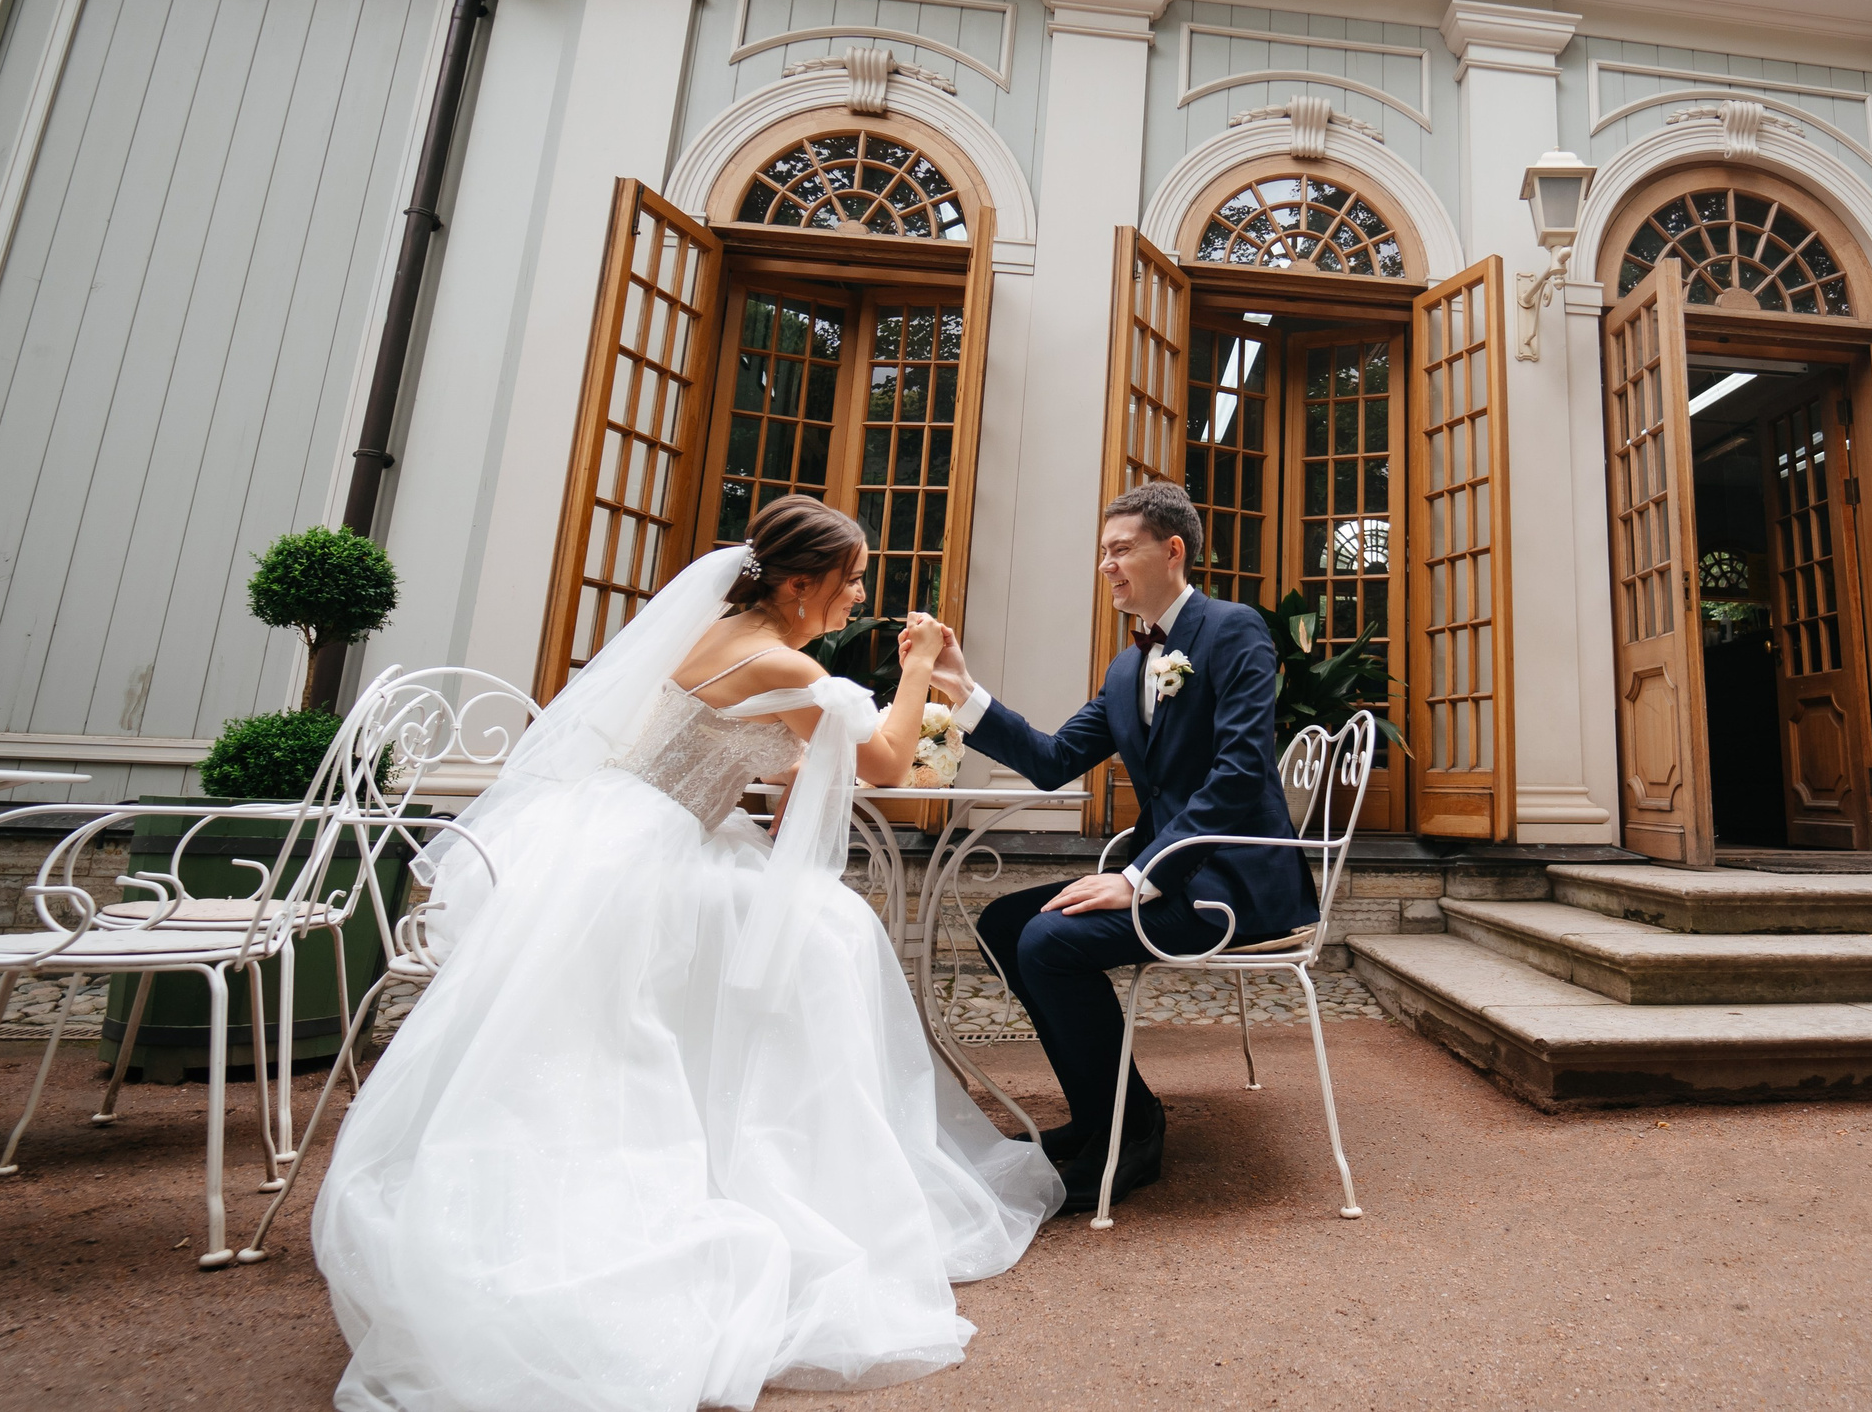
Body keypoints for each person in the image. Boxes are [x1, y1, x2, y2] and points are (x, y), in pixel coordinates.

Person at [312, 495, 1063, 1412]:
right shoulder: (783, 659)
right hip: (657, 859)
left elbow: (726, 744)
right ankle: (771, 1161)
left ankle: (741, 1137)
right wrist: (914, 675)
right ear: (798, 587)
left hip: (613, 834)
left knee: (804, 936)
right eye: (850, 579)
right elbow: (887, 763)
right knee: (828, 939)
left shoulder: (718, 633)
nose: (859, 596)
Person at [912, 481, 1312, 1215]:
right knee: (1007, 924)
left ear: (1174, 550)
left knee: (1048, 943)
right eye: (1103, 552)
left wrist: (1137, 878)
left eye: (1121, 549)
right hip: (1168, 876)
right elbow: (1055, 756)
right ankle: (1109, 1113)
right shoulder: (1127, 668)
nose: (1107, 565)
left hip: (1230, 881)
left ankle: (1130, 1135)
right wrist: (965, 692)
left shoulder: (1235, 630)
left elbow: (1240, 770)